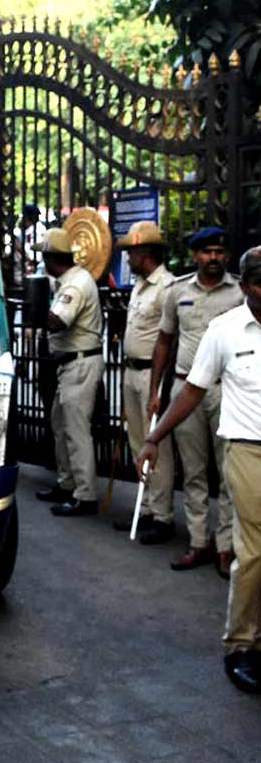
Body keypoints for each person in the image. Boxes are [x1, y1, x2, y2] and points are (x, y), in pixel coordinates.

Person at [137, 247, 261, 694]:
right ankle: (242, 645)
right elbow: (191, 391)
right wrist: (153, 438)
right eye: (260, 283)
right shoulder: (224, 331)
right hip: (248, 451)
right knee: (255, 552)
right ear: (245, 287)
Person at [150, 226, 244, 575]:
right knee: (193, 472)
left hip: (226, 389)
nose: (213, 258)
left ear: (227, 256)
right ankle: (198, 543)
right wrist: (154, 392)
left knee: (229, 472)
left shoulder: (239, 291)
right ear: (195, 256)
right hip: (185, 388)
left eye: (219, 251)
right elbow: (163, 341)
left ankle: (226, 547)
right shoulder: (177, 292)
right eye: (206, 252)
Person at [111, 221, 176, 545]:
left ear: (144, 253)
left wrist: (158, 387)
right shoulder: (139, 285)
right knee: (139, 442)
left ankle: (162, 515)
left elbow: (170, 338)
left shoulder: (167, 286)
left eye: (131, 252)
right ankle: (147, 508)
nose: (127, 258)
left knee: (157, 446)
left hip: (153, 373)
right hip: (131, 371)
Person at [33, 228, 104, 516]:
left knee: (75, 431)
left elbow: (57, 322)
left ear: (51, 257)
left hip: (79, 362)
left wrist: (35, 305)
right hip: (71, 363)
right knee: (60, 424)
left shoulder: (74, 285)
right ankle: (67, 483)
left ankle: (85, 495)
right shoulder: (69, 281)